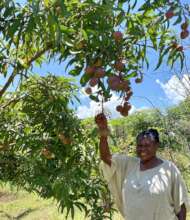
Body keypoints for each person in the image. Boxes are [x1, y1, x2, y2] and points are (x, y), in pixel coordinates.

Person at [95, 113, 190, 220]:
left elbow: (181, 205)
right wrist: (103, 131)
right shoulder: (128, 165)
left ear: (156, 145)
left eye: (147, 145)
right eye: (139, 145)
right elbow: (106, 157)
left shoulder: (169, 169)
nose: (142, 149)